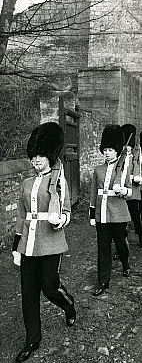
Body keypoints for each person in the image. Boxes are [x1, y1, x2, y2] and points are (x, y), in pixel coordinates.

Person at [12, 122, 76, 363]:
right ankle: (32, 340)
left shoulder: (59, 181)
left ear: (50, 157)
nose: (37, 160)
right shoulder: (27, 184)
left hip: (50, 241)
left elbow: (67, 209)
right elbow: (21, 215)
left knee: (50, 288)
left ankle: (68, 305)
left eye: (41, 156)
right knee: (28, 294)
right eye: (34, 156)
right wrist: (16, 247)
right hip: (27, 243)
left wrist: (61, 219)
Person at [89, 125, 133, 297]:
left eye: (111, 149)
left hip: (118, 212)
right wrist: (93, 214)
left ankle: (125, 263)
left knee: (121, 244)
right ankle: (103, 281)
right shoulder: (98, 170)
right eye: (105, 149)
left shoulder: (124, 168)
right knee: (103, 249)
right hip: (102, 214)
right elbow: (94, 193)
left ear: (117, 150)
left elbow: (130, 190)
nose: (107, 153)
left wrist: (124, 191)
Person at [121, 124, 142, 248]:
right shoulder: (120, 155)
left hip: (133, 187)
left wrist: (136, 176)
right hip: (121, 189)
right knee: (121, 220)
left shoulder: (136, 153)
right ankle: (121, 244)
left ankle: (141, 237)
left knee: (135, 215)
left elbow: (138, 165)